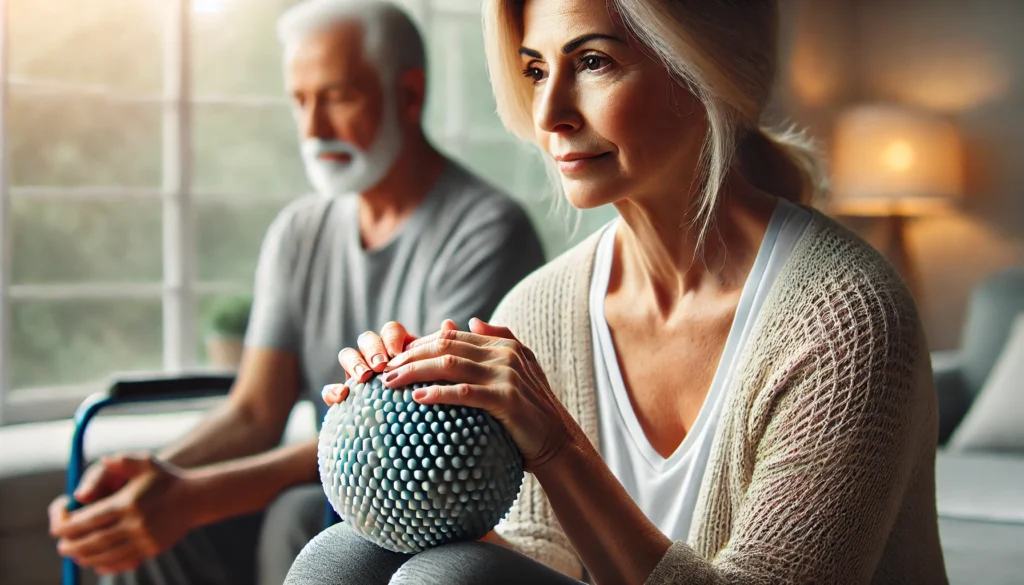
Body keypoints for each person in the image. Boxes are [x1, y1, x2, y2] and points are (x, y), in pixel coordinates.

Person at [289, 0, 950, 583]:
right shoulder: (538, 309)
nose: (549, 114)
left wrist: (556, 446)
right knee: (344, 556)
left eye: (594, 62)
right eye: (536, 70)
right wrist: (391, 418)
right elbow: (531, 559)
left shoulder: (848, 320)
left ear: (705, 67)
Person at [46, 1, 545, 583]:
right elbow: (256, 411)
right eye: (300, 101)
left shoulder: (486, 230)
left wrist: (191, 497)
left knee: (300, 516)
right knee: (143, 532)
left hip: (410, 505)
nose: (313, 129)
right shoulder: (297, 232)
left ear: (408, 96)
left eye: (337, 97)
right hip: (331, 477)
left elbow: (409, 454)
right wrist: (151, 477)